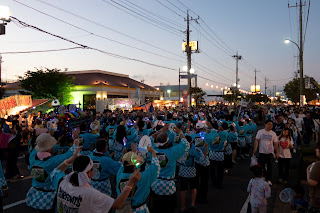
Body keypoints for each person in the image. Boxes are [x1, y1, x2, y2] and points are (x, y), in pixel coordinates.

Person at [51, 149, 141, 213]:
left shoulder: (62, 181)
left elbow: (56, 171)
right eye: (93, 169)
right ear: (89, 173)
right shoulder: (90, 193)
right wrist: (130, 183)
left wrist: (71, 159)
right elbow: (117, 204)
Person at [26, 132, 79, 212]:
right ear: (50, 147)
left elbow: (35, 150)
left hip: (36, 195)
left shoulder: (32, 158)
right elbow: (69, 155)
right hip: (50, 198)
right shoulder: (53, 162)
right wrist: (75, 144)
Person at [150, 125, 189, 213]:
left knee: (157, 209)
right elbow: (186, 144)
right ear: (167, 142)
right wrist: (180, 132)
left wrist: (158, 132)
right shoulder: (172, 151)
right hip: (169, 186)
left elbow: (147, 141)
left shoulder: (152, 151)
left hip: (155, 184)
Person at [116, 146, 160, 212]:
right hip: (140, 209)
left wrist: (126, 156)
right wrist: (153, 153)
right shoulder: (143, 176)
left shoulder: (119, 174)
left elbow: (124, 165)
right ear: (135, 165)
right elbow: (156, 167)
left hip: (123, 209)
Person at [253, 120, 279, 186]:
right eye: (269, 124)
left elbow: (276, 143)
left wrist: (277, 152)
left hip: (270, 152)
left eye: (271, 125)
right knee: (261, 166)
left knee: (270, 167)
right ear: (265, 124)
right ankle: (263, 177)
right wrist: (255, 149)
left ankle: (269, 179)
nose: (270, 126)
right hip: (262, 152)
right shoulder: (260, 132)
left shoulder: (273, 133)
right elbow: (257, 140)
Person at [306, 142, 320, 212]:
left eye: (317, 148)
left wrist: (308, 170)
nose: (316, 150)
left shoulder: (318, 165)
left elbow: (312, 182)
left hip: (317, 202)